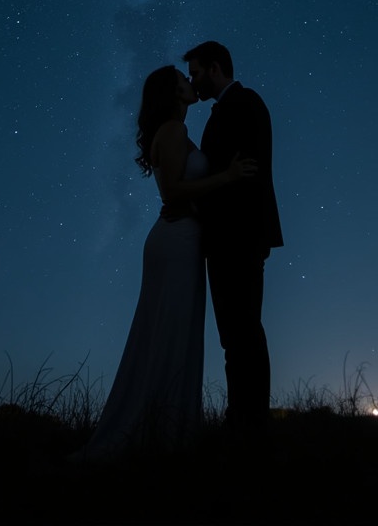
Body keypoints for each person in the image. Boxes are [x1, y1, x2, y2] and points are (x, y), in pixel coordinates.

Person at [74, 64, 256, 461]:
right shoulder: (172, 131)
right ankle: (160, 435)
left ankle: (165, 430)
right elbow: (173, 192)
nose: (191, 83)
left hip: (180, 239)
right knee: (171, 331)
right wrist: (227, 177)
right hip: (176, 239)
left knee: (172, 331)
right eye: (182, 79)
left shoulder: (177, 131)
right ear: (172, 93)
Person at [183, 41, 283, 436]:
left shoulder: (243, 104)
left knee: (242, 330)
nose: (193, 80)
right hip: (229, 237)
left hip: (237, 235)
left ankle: (249, 420)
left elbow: (244, 174)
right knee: (236, 334)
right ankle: (243, 417)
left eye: (195, 72)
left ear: (214, 68)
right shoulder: (229, 108)